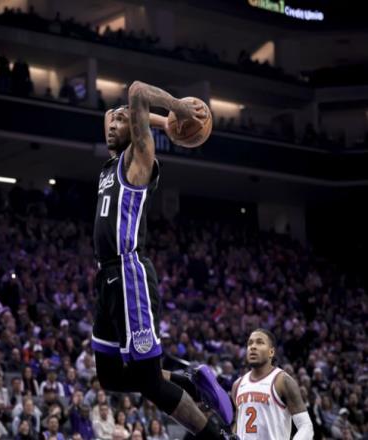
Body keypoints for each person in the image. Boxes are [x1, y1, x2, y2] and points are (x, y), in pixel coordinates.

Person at [91, 80, 234, 439]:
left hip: (129, 273)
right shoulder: (113, 160)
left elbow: (138, 91)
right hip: (106, 277)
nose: (112, 124)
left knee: (150, 383)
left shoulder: (139, 159)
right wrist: (167, 122)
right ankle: (190, 378)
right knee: (111, 377)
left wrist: (178, 109)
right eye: (115, 120)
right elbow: (111, 112)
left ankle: (217, 436)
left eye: (122, 121)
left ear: (136, 131)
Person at [231, 329, 314, 439]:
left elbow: (306, 426)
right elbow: (238, 424)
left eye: (259, 342)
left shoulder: (282, 381)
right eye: (250, 343)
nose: (253, 347)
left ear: (271, 352)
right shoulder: (237, 385)